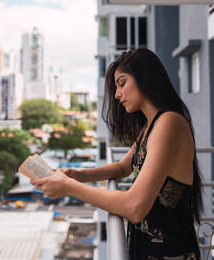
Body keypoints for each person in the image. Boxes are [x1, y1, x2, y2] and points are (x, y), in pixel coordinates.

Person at [31, 48, 202, 260]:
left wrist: (68, 187)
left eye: (122, 83)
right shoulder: (151, 126)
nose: (117, 94)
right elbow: (123, 167)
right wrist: (76, 174)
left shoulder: (169, 122)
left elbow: (134, 207)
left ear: (145, 78)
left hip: (171, 254)